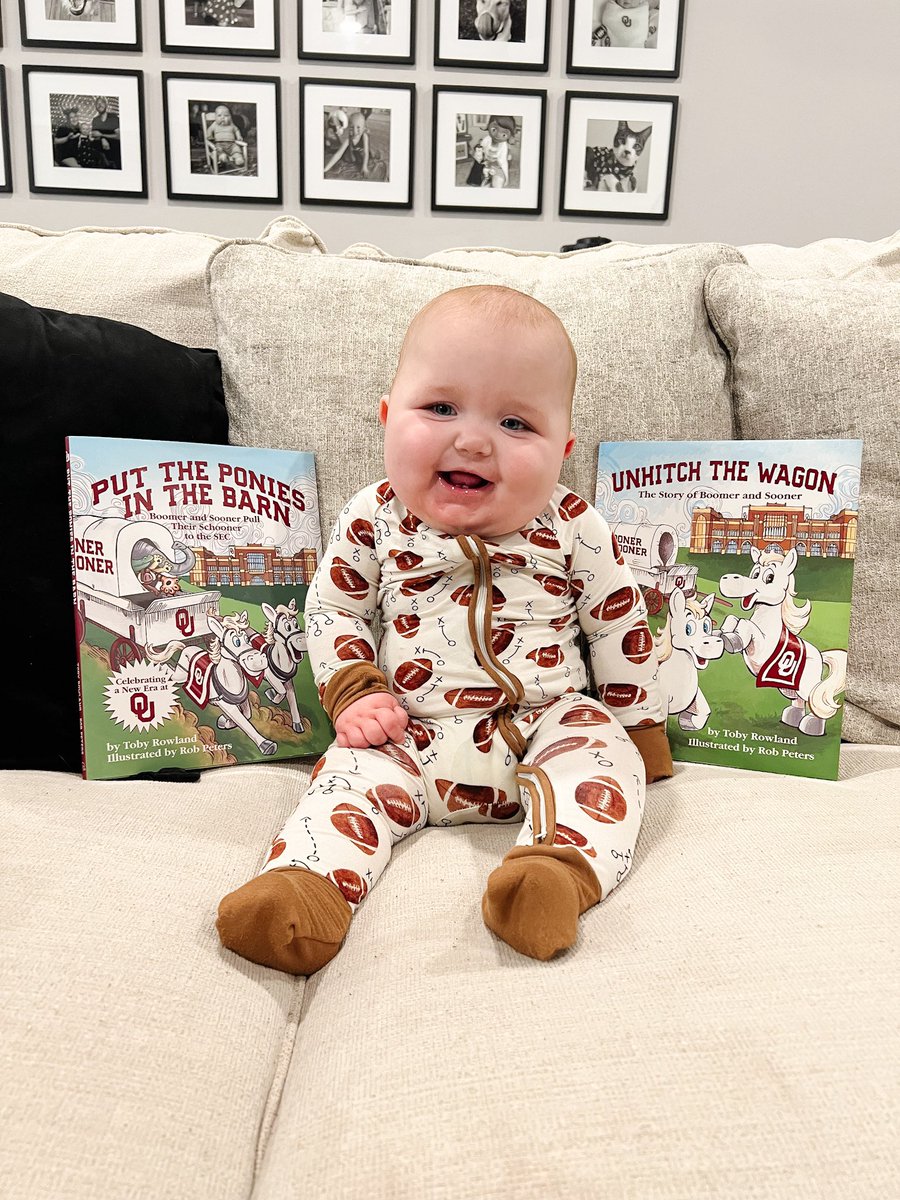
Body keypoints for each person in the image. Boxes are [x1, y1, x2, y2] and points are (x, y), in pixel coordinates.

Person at [216, 284, 673, 975]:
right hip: (410, 732)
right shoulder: (373, 517)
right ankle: (304, 888)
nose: (472, 439)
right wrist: (356, 692)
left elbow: (620, 626)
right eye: (439, 408)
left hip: (543, 723)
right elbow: (333, 607)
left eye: (517, 425)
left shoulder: (575, 525)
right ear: (386, 416)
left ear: (562, 450)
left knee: (599, 757)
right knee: (346, 781)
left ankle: (554, 873)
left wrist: (638, 731)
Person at [323, 109, 386, 181]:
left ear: (363, 128)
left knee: (368, 160)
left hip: (361, 155)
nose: (355, 131)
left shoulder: (364, 136)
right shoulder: (348, 139)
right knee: (345, 157)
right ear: (349, 128)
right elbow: (338, 154)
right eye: (352, 127)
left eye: (358, 127)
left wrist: (364, 167)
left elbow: (366, 153)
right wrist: (325, 169)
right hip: (352, 155)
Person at [478, 114, 516, 188]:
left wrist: (506, 177)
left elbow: (503, 161)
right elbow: (481, 150)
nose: (497, 135)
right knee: (484, 185)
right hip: (486, 165)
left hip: (498, 167)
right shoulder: (487, 139)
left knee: (497, 184)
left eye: (504, 134)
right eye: (494, 130)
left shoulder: (503, 145)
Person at [205, 105, 245, 171]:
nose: (223, 118)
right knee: (219, 150)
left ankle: (238, 158)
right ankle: (222, 156)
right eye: (219, 115)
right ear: (215, 117)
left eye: (226, 115)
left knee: (237, 149)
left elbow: (236, 130)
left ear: (230, 117)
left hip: (232, 145)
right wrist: (210, 137)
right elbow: (209, 130)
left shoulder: (231, 124)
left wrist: (238, 136)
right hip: (219, 144)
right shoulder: (214, 125)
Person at [91, 97, 120, 170]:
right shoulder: (95, 120)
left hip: (115, 150)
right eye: (97, 104)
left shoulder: (114, 118)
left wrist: (102, 135)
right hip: (101, 153)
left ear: (106, 105)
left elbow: (119, 136)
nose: (99, 105)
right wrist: (103, 138)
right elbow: (94, 135)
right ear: (95, 107)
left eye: (102, 103)